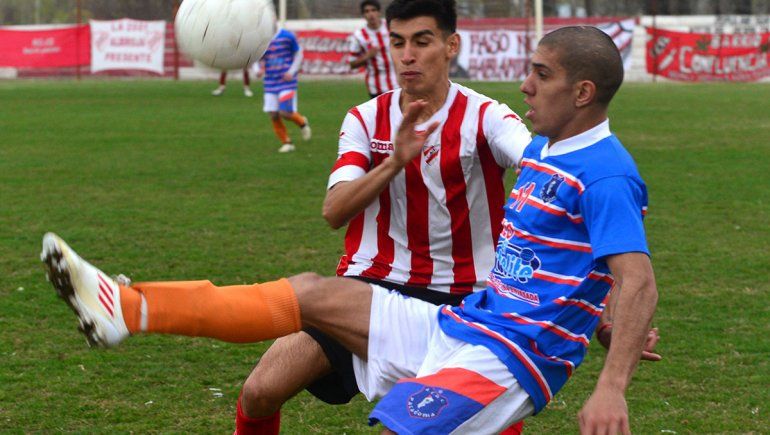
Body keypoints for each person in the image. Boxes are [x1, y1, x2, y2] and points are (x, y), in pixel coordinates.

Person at [42, 23, 659, 435]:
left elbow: (639, 281)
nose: (525, 84)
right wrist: (595, 318)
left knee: (402, 426)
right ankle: (127, 307)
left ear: (582, 91)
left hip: (509, 359)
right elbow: (566, 259)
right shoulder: (549, 152)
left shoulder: (604, 173)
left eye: (541, 75)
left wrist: (611, 385)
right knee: (312, 291)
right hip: (464, 322)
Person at [239, 1, 532, 433]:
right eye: (398, 42)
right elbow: (334, 211)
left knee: (464, 422)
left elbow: (539, 169)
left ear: (451, 45)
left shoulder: (488, 116)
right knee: (259, 391)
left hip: (464, 298)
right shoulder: (364, 117)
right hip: (370, 287)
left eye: (421, 41)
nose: (407, 55)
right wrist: (394, 162)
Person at [258, 28, 311, 153]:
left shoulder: (287, 36)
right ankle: (287, 143)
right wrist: (258, 70)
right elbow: (256, 57)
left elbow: (299, 53)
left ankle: (302, 122)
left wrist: (292, 71)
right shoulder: (261, 39)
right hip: (270, 82)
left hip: (287, 82)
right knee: (273, 114)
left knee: (285, 112)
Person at [349, 0, 398, 98]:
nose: (371, 14)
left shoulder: (392, 27)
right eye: (367, 11)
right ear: (363, 15)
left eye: (373, 10)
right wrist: (368, 56)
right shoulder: (359, 36)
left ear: (379, 12)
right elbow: (352, 63)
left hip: (397, 82)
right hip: (376, 86)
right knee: (382, 113)